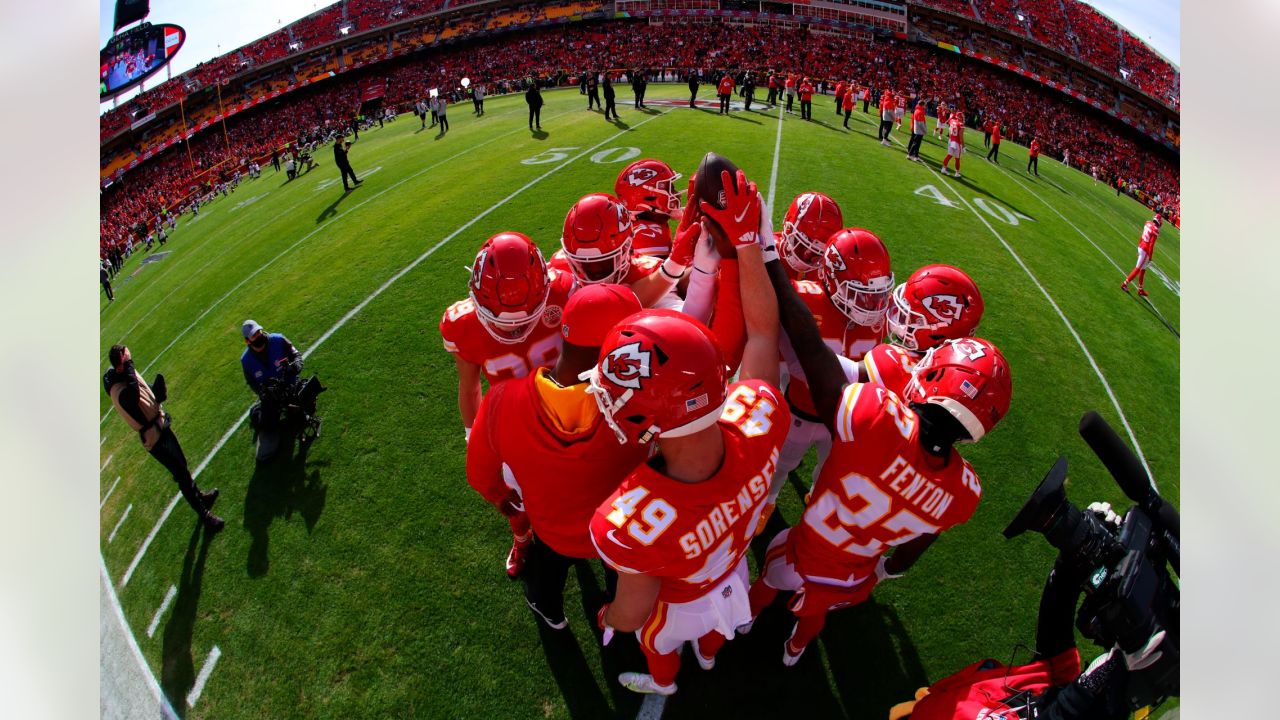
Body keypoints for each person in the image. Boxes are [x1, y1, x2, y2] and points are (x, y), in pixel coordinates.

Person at [747, 250, 1013, 664]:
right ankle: (794, 649)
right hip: (856, 571)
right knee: (813, 613)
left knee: (770, 573)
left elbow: (811, 360)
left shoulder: (875, 410)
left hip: (811, 543)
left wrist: (763, 270)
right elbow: (922, 539)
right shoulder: (964, 492)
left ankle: (744, 621)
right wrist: (888, 569)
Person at [592, 168, 788, 695]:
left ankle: (667, 683)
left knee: (657, 644)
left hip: (679, 601)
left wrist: (609, 613)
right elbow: (763, 333)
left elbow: (631, 615)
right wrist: (747, 243)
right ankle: (707, 655)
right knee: (716, 629)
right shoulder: (757, 419)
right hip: (733, 572)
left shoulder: (632, 518)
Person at [467, 284, 650, 630]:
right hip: (618, 535)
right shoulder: (643, 406)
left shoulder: (502, 399)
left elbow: (479, 473)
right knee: (622, 581)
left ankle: (548, 608)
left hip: (552, 532)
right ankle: (616, 612)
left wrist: (501, 497)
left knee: (547, 575)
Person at [441, 232, 574, 576]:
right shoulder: (464, 326)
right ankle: (522, 535)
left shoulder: (565, 287)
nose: (515, 331)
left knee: (573, 485)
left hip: (567, 406)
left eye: (525, 319)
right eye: (503, 321)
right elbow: (469, 384)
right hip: (512, 423)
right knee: (511, 495)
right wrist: (475, 438)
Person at [763, 229, 896, 522]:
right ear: (832, 280)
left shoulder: (877, 320)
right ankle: (769, 500)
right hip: (799, 409)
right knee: (782, 462)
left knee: (832, 467)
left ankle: (816, 493)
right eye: (861, 294)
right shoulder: (808, 302)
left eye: (877, 295)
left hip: (846, 417)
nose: (872, 307)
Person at [104, 345, 225, 532]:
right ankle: (205, 515)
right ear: (120, 365)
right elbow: (134, 397)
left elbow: (142, 394)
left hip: (160, 425)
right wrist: (128, 365)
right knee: (180, 473)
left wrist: (156, 393)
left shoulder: (125, 377)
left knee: (182, 465)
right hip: (154, 438)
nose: (131, 363)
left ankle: (199, 496)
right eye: (127, 361)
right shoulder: (118, 391)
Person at [240, 319, 322, 463]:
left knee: (304, 408)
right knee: (267, 426)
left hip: (290, 385)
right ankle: (259, 411)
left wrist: (296, 365)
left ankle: (292, 409)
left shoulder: (278, 340)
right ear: (247, 341)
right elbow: (252, 383)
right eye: (254, 336)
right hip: (271, 396)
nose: (259, 336)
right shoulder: (246, 361)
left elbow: (296, 355)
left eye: (259, 331)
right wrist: (264, 393)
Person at [614, 158, 683, 257]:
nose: (677, 194)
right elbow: (672, 271)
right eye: (670, 188)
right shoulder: (646, 236)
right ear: (649, 197)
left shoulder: (641, 222)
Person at [1121, 214, 1162, 297]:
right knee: (1138, 269)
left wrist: (1139, 246)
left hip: (1141, 246)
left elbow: (1141, 236)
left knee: (1143, 269)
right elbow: (1151, 245)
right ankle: (1125, 284)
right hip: (1145, 250)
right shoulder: (1155, 230)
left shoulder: (1148, 223)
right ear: (1159, 222)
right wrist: (1150, 257)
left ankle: (1140, 289)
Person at [941, 111, 964, 178]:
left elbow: (949, 124)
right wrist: (963, 146)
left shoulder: (952, 120)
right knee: (957, 158)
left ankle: (943, 169)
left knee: (949, 155)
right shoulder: (961, 124)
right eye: (961, 116)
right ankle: (957, 173)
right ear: (959, 116)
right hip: (957, 142)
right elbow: (960, 136)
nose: (962, 117)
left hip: (951, 140)